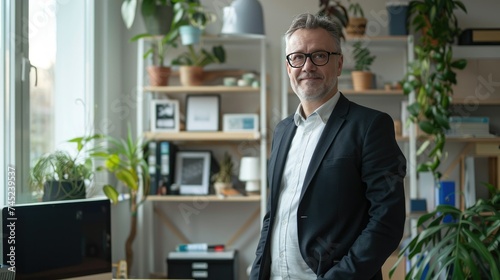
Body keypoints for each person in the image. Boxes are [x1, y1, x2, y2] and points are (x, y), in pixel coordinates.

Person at [250, 13, 406, 280]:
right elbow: (273, 215)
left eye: (319, 55)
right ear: (288, 67)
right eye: (297, 57)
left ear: (339, 63)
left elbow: (386, 221)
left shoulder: (370, 126)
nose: (307, 66)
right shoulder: (282, 130)